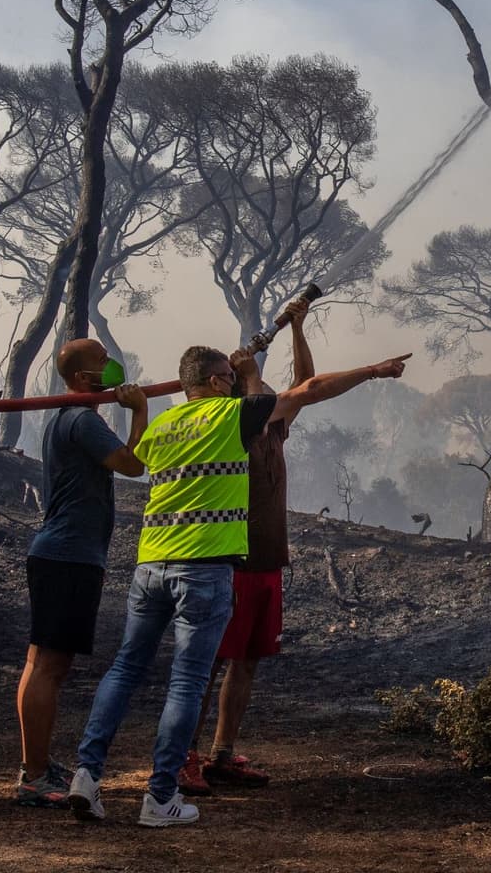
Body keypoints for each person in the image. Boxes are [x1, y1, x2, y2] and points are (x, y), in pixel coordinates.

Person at [68, 338, 411, 828]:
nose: (234, 385)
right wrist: (373, 369)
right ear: (214, 383)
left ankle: (86, 774)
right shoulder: (232, 416)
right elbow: (309, 389)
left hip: (150, 563)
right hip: (204, 567)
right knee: (187, 681)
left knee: (125, 670)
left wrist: (138, 409)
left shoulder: (164, 423)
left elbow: (136, 458)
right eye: (227, 379)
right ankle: (160, 796)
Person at [178, 297, 315, 794]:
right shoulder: (226, 429)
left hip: (267, 561)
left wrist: (298, 327)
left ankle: (221, 753)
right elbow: (261, 399)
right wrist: (249, 373)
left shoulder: (272, 427)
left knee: (247, 660)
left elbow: (304, 389)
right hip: (229, 559)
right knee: (209, 661)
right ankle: (183, 756)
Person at [13, 338, 150, 807]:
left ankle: (36, 764)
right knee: (48, 667)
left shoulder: (68, 418)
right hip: (68, 556)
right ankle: (33, 776)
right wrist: (138, 412)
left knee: (41, 664)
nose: (112, 366)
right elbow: (132, 465)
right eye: (102, 362)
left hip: (62, 554)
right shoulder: (82, 420)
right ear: (80, 378)